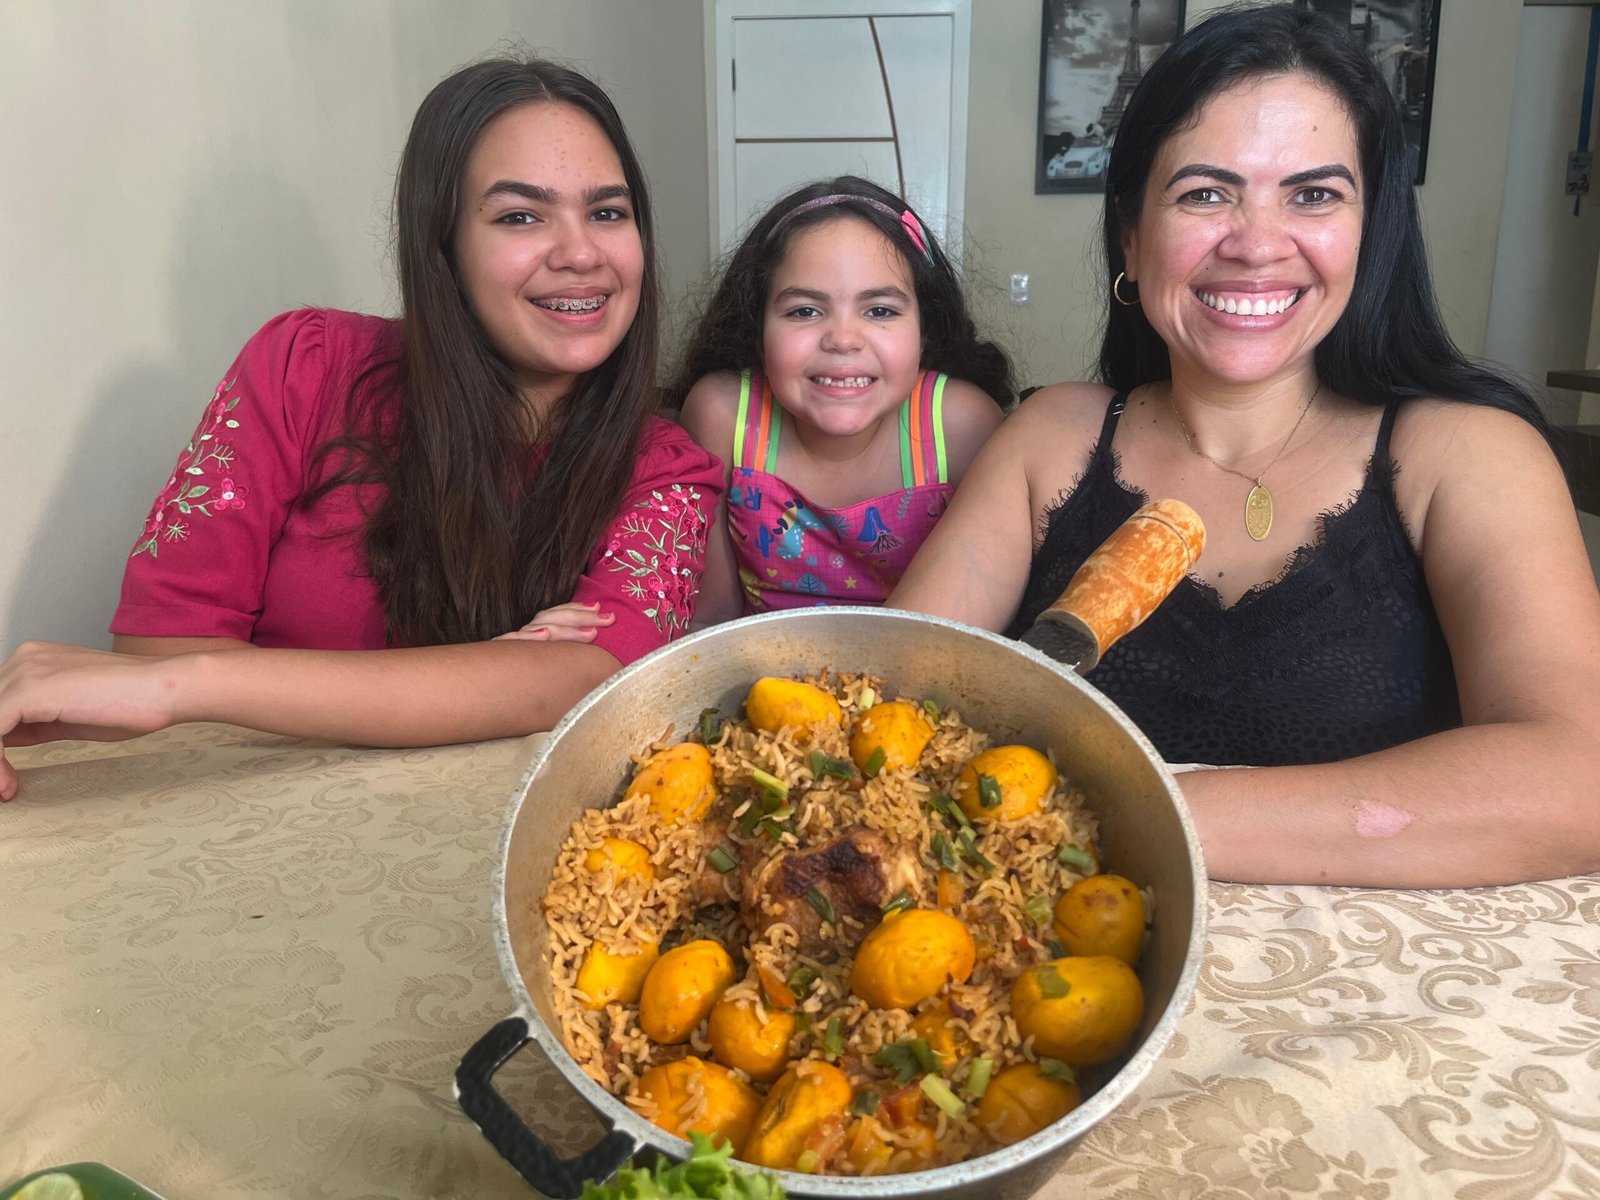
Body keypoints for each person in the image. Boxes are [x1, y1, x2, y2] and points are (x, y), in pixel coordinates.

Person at [890, 6, 1600, 887]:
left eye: (1314, 194)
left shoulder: (1469, 455)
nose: (1257, 244)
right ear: (1131, 237)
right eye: (1204, 193)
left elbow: (1580, 777)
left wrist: (1125, 814)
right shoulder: (1050, 438)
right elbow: (888, 697)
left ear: (1370, 230)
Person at [0, 57, 723, 802]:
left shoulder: (667, 471)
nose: (580, 253)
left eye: (607, 213)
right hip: (236, 817)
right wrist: (483, 675)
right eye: (519, 216)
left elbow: (585, 681)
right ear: (443, 247)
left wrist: (200, 682)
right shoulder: (304, 367)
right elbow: (157, 653)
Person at [511, 176, 1010, 642]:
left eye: (880, 310)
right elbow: (710, 618)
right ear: (758, 329)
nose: (842, 339)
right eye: (804, 311)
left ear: (925, 328)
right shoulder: (724, 416)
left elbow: (984, 630)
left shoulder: (962, 425)